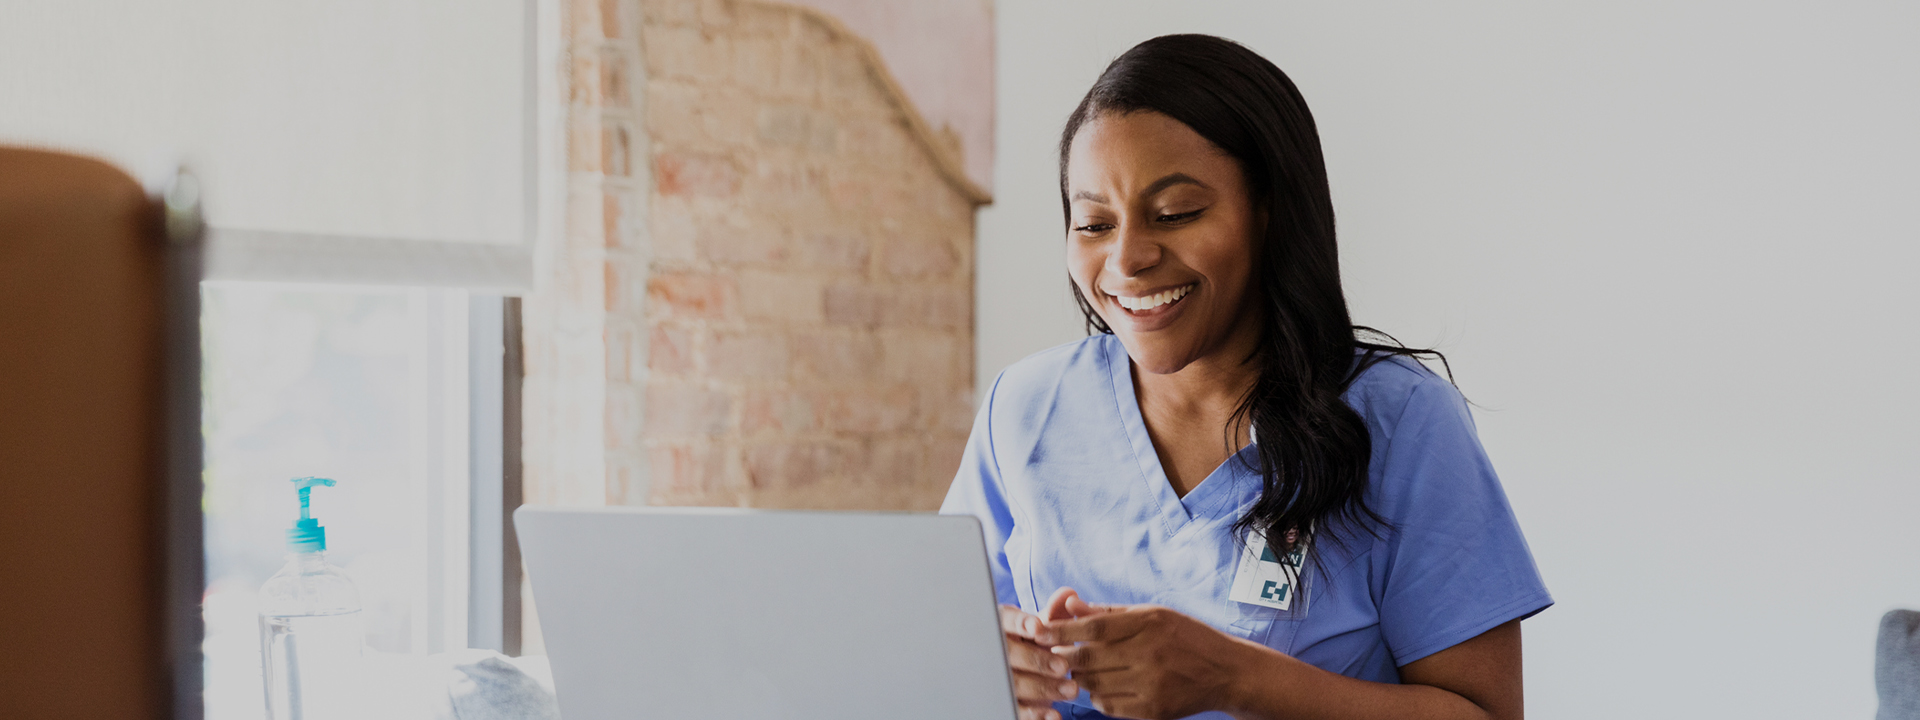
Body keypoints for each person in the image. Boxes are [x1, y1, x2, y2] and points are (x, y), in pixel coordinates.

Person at [940, 34, 1552, 720]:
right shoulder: (1025, 407)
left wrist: (1237, 678)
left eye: (1176, 214)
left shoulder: (1401, 421)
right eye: (1093, 223)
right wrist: (993, 672)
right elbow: (935, 656)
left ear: (1270, 213)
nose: (1128, 258)